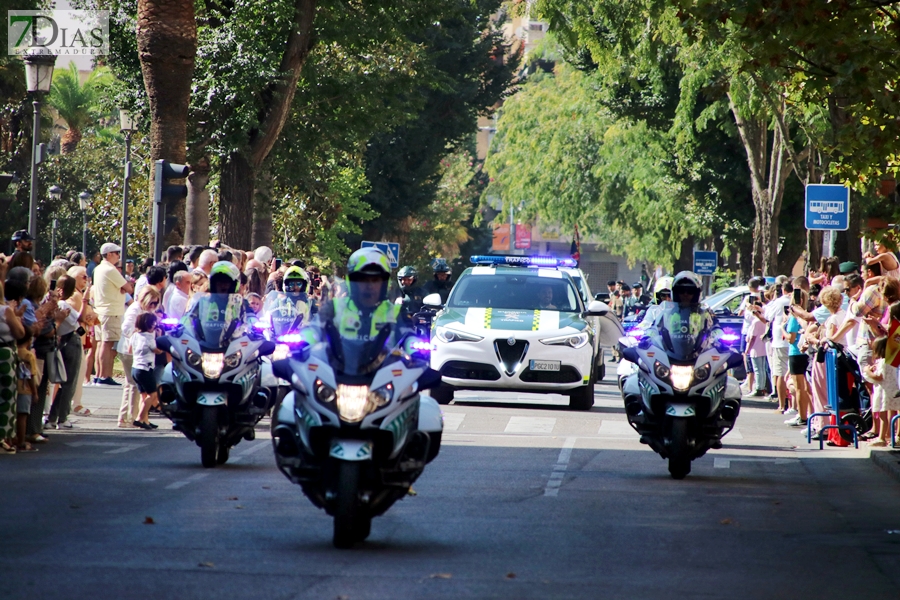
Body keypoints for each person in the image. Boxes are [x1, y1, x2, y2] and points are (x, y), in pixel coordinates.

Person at [318, 248, 406, 342]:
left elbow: (408, 334)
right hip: (339, 356)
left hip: (384, 357)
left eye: (375, 280)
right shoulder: (335, 307)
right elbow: (314, 328)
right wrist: (305, 338)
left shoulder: (395, 312)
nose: (370, 286)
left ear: (384, 284)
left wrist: (413, 345)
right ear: (353, 282)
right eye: (364, 280)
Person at [118, 287, 162, 428]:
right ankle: (129, 418)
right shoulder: (135, 309)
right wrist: (141, 335)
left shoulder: (148, 311)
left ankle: (143, 419)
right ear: (144, 300)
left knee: (141, 390)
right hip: (131, 351)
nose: (153, 307)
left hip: (139, 351)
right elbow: (126, 328)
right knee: (133, 386)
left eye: (156, 304)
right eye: (151, 303)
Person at [46, 276, 84, 430]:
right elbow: (78, 321)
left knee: (63, 383)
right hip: (70, 341)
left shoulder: (55, 303)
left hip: (63, 341)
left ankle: (53, 417)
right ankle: (63, 417)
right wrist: (86, 302)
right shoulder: (63, 304)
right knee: (70, 383)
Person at [92, 243, 133, 386]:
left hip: (101, 310)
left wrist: (122, 288)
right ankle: (105, 376)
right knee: (107, 344)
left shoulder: (98, 269)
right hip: (111, 311)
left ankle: (99, 375)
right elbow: (128, 288)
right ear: (109, 254)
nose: (118, 256)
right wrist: (123, 288)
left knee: (101, 344)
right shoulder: (111, 270)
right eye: (116, 253)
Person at [0, 279, 26, 453]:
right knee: (6, 396)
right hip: (4, 354)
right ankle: (3, 437)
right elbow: (20, 332)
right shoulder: (5, 310)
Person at [783, 289, 811, 427]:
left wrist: (781, 329)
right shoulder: (806, 316)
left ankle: (802, 415)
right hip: (805, 353)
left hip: (795, 352)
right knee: (806, 386)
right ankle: (806, 414)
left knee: (800, 387)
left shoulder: (794, 318)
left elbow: (791, 338)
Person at [130, 311, 162, 430]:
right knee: (152, 394)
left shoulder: (135, 335)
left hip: (135, 368)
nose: (154, 326)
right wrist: (159, 337)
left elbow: (129, 350)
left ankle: (145, 420)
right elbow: (157, 350)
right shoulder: (149, 338)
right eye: (153, 324)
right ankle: (139, 418)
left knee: (144, 395)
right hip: (145, 369)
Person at [863, 336, 897, 447]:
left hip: (884, 391)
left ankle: (881, 437)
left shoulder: (883, 362)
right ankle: (889, 435)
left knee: (882, 414)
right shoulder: (891, 361)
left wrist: (868, 371)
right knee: (890, 413)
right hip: (890, 390)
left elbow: (879, 377)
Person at [15, 330, 39, 452]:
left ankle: (11, 439)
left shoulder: (14, 352)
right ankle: (21, 441)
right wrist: (35, 392)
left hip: (13, 386)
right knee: (22, 416)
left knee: (13, 415)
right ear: (29, 341)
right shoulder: (28, 355)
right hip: (25, 389)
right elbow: (30, 376)